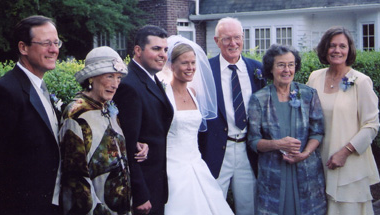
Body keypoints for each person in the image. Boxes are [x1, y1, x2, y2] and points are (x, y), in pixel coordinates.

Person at [0, 15, 61, 214]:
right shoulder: (4, 92)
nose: (54, 50)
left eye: (56, 42)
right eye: (45, 43)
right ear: (23, 48)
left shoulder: (40, 88)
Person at [60, 46, 149, 214]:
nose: (115, 84)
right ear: (91, 78)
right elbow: (76, 177)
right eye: (109, 76)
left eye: (119, 78)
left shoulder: (108, 107)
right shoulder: (76, 113)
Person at [307, 26, 380, 215]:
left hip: (349, 164)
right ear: (325, 48)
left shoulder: (361, 82)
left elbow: (371, 125)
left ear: (349, 50)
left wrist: (345, 152)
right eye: (332, 45)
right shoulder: (315, 77)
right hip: (319, 163)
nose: (337, 50)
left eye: (342, 46)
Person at [247, 44, 327, 214]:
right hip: (273, 175)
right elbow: (253, 141)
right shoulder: (259, 99)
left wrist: (304, 153)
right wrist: (278, 144)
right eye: (281, 65)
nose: (287, 70)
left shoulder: (308, 94)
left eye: (291, 64)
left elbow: (318, 131)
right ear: (271, 68)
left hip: (306, 173)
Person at [198, 17, 266, 215]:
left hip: (247, 150)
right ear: (217, 41)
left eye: (237, 37)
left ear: (243, 38)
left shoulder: (257, 69)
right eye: (227, 39)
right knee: (212, 206)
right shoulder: (204, 70)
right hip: (217, 150)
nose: (233, 43)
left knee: (249, 206)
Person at [159, 35, 234, 215]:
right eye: (185, 63)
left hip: (196, 163)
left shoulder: (193, 92)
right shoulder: (163, 96)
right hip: (172, 168)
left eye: (193, 63)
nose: (191, 67)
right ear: (171, 65)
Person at [113, 25, 174, 215]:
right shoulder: (130, 85)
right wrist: (140, 193)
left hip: (156, 180)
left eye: (165, 50)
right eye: (156, 49)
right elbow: (129, 145)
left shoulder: (150, 78)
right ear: (138, 51)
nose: (163, 55)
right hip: (144, 185)